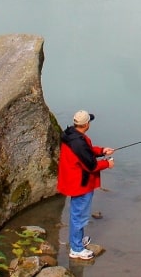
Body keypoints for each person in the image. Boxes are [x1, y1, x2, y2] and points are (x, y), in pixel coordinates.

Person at [57, 110, 115, 260]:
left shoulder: (71, 135)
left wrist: (102, 151)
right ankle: (76, 248)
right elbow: (91, 165)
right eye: (89, 121)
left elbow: (87, 152)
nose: (90, 123)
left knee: (78, 213)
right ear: (85, 124)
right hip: (80, 184)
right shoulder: (78, 141)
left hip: (75, 181)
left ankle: (77, 241)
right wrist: (107, 164)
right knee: (79, 215)